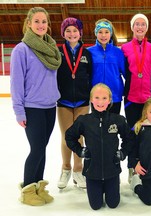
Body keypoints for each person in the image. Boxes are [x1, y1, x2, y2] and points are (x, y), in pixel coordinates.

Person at [10, 7, 62, 206]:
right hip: (33, 107)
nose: (41, 25)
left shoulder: (51, 47)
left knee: (43, 148)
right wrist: (19, 111)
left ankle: (38, 186)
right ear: (29, 23)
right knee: (37, 149)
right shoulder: (21, 50)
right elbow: (16, 83)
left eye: (44, 22)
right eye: (37, 21)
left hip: (50, 106)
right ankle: (28, 189)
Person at [65, 83, 134, 210]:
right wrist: (80, 151)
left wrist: (123, 153)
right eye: (96, 98)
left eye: (104, 98)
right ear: (91, 99)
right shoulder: (84, 120)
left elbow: (129, 138)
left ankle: (110, 187)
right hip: (92, 172)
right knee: (95, 206)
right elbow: (69, 136)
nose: (100, 102)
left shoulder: (117, 120)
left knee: (113, 204)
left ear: (109, 100)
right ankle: (97, 188)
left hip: (112, 171)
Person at [121, 13, 151, 183]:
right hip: (130, 99)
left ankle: (145, 166)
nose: (139, 27)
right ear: (132, 27)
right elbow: (120, 70)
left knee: (146, 135)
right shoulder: (124, 48)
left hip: (147, 100)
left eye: (143, 24)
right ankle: (131, 167)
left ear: (146, 28)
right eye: (136, 24)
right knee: (131, 135)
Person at [56, 17, 92, 189]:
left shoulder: (86, 53)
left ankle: (79, 170)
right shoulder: (57, 52)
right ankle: (65, 168)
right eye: (68, 31)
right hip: (63, 101)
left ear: (80, 33)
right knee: (66, 137)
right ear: (63, 33)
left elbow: (91, 76)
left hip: (83, 102)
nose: (72, 34)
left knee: (80, 137)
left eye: (75, 30)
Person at [88, 18, 125, 114]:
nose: (103, 35)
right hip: (96, 96)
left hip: (114, 96)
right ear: (96, 33)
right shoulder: (89, 52)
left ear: (111, 33)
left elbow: (126, 73)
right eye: (100, 32)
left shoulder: (118, 52)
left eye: (106, 32)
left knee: (113, 126)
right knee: (97, 126)